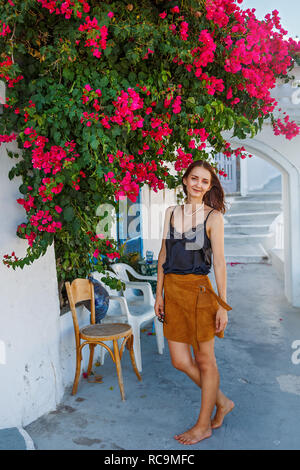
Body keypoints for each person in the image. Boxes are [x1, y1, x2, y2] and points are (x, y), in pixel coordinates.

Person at [154, 160, 235, 445]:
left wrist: (223, 305)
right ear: (185, 180)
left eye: (205, 181)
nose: (199, 184)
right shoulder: (171, 212)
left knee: (205, 360)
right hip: (173, 293)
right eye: (194, 178)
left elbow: (221, 263)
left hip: (200, 292)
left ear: (209, 186)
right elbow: (163, 253)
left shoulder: (213, 217)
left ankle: (203, 425)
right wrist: (159, 293)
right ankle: (222, 401)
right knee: (179, 360)